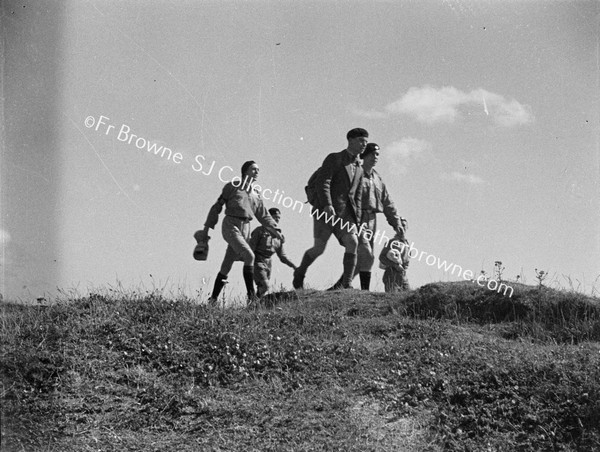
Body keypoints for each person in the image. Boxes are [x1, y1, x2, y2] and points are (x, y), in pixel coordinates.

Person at [293, 128, 368, 290]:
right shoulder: (334, 158)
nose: (364, 144)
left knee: (353, 242)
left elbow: (359, 196)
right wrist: (327, 205)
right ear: (351, 140)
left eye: (366, 142)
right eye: (361, 141)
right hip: (324, 211)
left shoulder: (360, 169)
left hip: (346, 215)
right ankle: (300, 272)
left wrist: (359, 219)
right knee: (319, 248)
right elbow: (323, 182)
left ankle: (346, 284)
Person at [201, 160, 284, 305]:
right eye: (253, 169)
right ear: (245, 171)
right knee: (249, 256)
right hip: (231, 224)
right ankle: (252, 297)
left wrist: (275, 229)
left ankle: (212, 300)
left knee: (226, 265)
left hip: (246, 227)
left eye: (258, 169)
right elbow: (217, 207)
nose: (257, 172)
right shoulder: (232, 186)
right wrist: (206, 230)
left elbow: (263, 215)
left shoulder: (256, 193)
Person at [331, 142, 407, 290]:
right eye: (372, 154)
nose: (375, 157)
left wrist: (396, 222)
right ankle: (361, 289)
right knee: (367, 254)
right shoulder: (355, 173)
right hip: (356, 217)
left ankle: (341, 285)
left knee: (364, 258)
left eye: (377, 154)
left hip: (372, 219)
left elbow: (387, 202)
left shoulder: (377, 178)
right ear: (364, 155)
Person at [249, 208, 297, 297]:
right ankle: (254, 302)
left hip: (268, 263)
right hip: (258, 260)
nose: (277, 220)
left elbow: (282, 256)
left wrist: (294, 266)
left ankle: (254, 304)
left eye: (278, 218)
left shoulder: (279, 236)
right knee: (265, 286)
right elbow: (251, 248)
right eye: (274, 217)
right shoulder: (259, 231)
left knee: (262, 288)